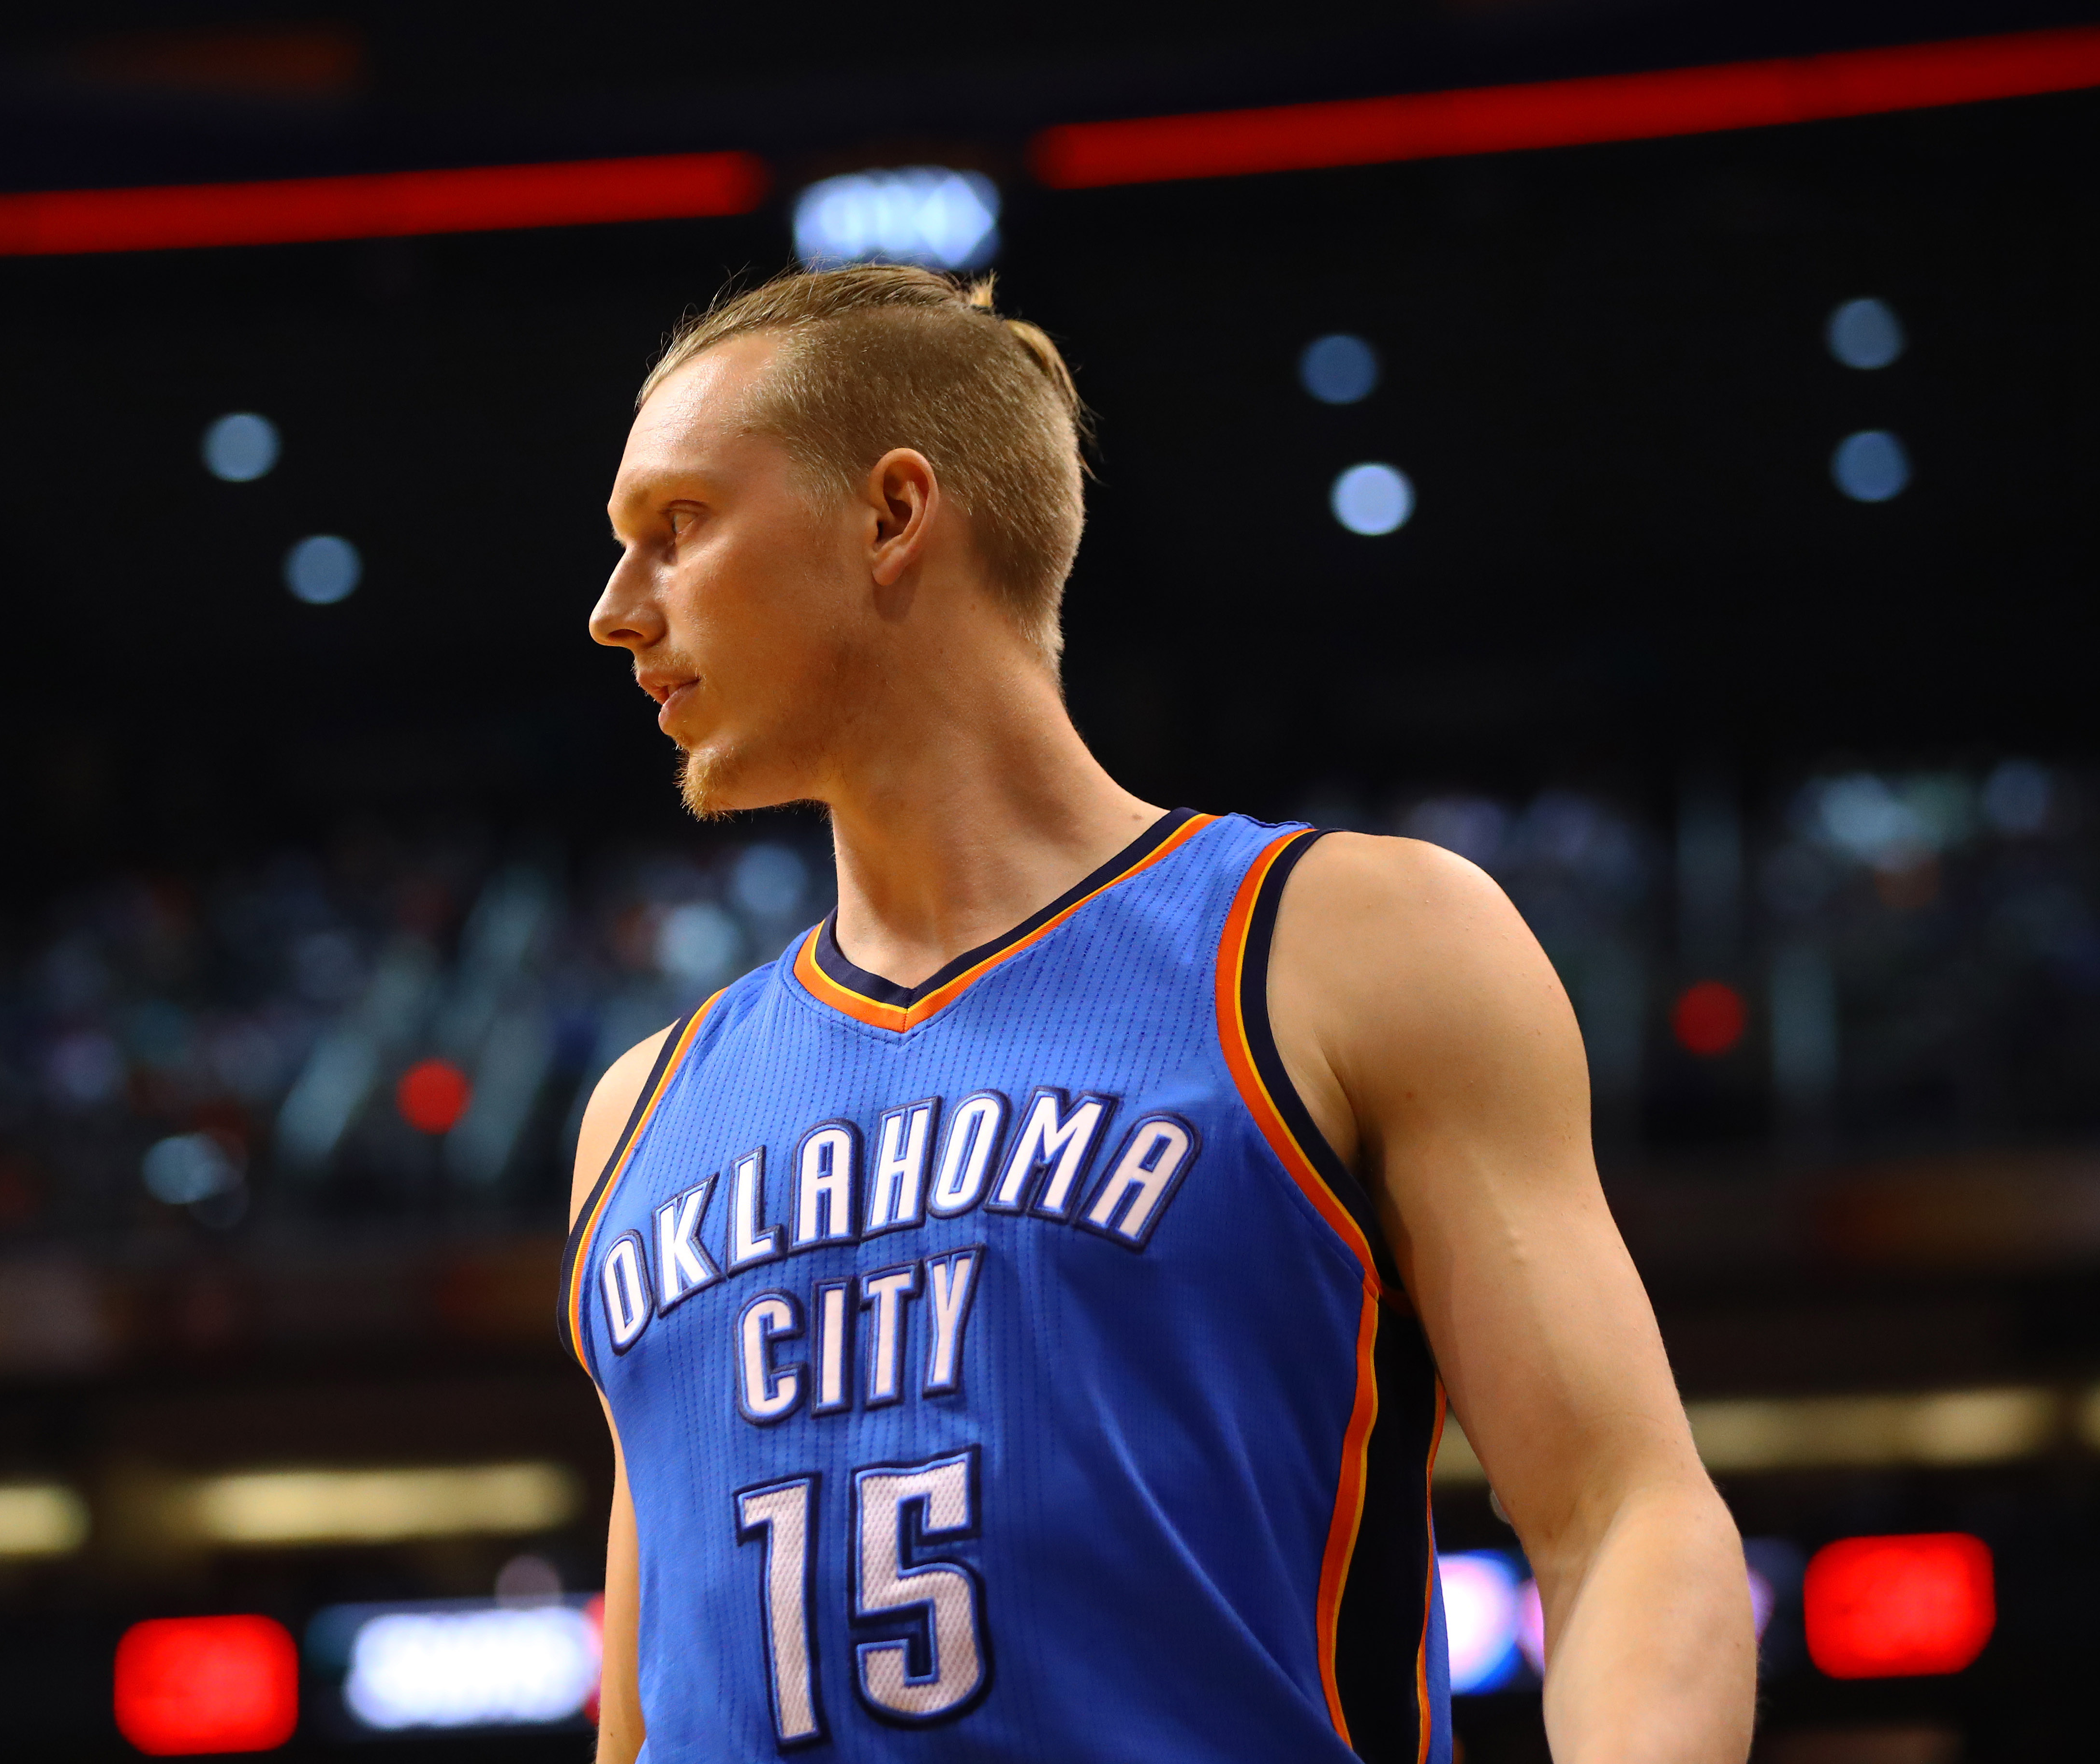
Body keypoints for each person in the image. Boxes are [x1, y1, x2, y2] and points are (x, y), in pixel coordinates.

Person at [565, 264, 1752, 1763]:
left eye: (677, 528)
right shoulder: (642, 1110)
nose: (617, 612)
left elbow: (1622, 1515)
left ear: (891, 515)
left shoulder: (1344, 945)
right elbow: (650, 1714)